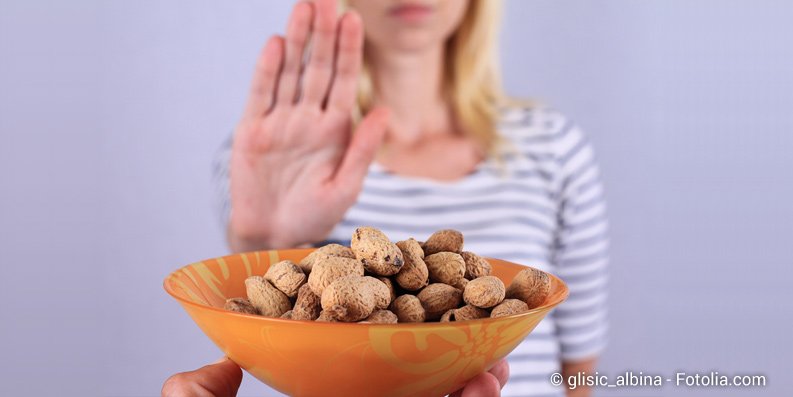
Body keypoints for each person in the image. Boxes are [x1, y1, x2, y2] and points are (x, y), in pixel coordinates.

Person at [165, 0, 609, 396]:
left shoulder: (552, 144)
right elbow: (270, 315)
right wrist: (262, 239)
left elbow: (579, 365)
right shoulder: (280, 151)